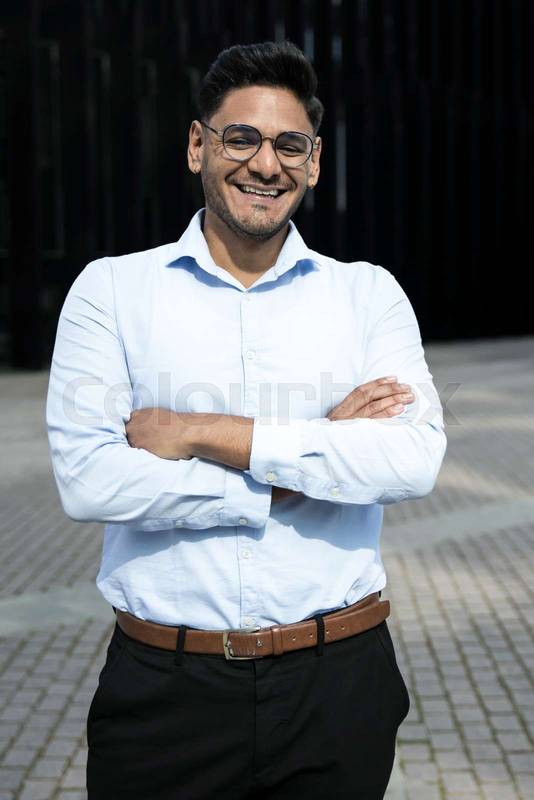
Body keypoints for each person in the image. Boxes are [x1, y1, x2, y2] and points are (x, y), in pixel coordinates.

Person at [46, 40, 446, 800]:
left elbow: (412, 462)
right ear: (198, 145)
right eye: (242, 138)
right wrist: (311, 456)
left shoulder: (368, 296)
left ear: (315, 161)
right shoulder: (112, 292)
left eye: (289, 145)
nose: (266, 165)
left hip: (338, 685)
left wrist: (200, 433)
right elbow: (89, 480)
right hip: (165, 693)